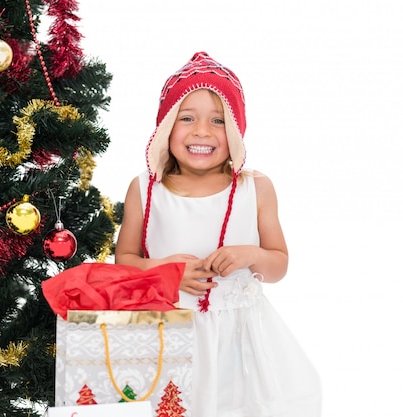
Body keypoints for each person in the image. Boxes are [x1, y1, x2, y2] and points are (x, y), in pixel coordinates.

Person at [115, 51, 322, 417]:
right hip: (169, 333)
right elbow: (125, 263)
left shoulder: (254, 188)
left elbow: (279, 265)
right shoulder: (146, 190)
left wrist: (251, 255)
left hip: (239, 340)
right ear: (166, 128)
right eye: (187, 118)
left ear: (236, 132)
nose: (202, 132)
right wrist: (165, 268)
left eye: (218, 120)